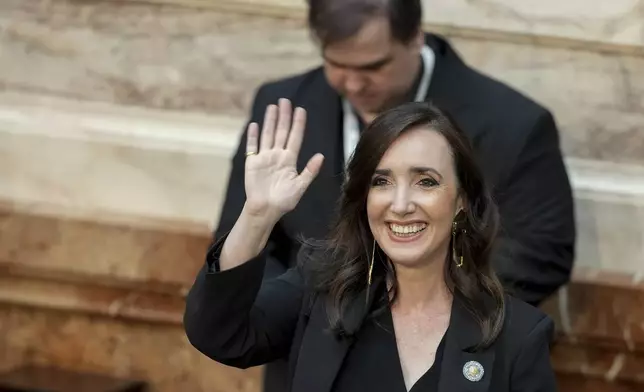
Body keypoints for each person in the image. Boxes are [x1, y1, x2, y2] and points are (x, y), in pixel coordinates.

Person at [215, 0, 574, 390]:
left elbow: (540, 251)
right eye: (336, 64)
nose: (353, 84)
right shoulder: (282, 107)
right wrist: (300, 308)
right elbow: (247, 240)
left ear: (415, 38)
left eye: (373, 66)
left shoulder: (513, 123)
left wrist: (416, 299)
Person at [187, 101, 557, 392]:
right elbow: (221, 335)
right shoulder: (320, 289)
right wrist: (257, 216)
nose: (400, 204)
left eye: (425, 181)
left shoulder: (518, 336)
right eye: (381, 181)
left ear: (461, 199)